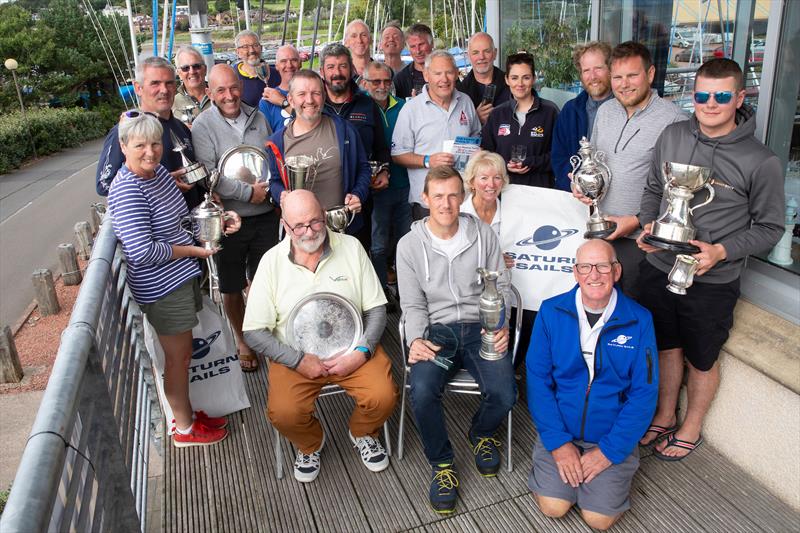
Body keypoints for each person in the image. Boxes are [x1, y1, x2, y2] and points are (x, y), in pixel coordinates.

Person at [635, 58, 785, 460]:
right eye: (702, 95)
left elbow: (771, 228)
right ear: (693, 96)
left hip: (712, 280)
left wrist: (722, 251)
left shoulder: (761, 161)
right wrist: (652, 227)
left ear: (739, 98)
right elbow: (653, 188)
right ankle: (665, 415)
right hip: (659, 266)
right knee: (666, 347)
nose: (710, 104)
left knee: (702, 358)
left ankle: (691, 426)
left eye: (721, 96)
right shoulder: (672, 135)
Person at [241, 190, 396, 482]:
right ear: (286, 226)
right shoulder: (271, 262)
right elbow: (253, 332)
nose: (309, 231)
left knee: (384, 395)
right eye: (299, 226)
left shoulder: (350, 247)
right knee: (284, 413)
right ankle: (310, 443)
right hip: (295, 356)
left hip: (352, 349)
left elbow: (376, 310)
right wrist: (297, 360)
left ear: (324, 216)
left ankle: (363, 432)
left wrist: (361, 352)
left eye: (315, 222)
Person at [107, 111, 240, 447]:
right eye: (140, 145)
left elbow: (183, 222)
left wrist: (215, 226)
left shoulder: (160, 176)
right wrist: (195, 252)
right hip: (162, 288)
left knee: (182, 356)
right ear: (123, 146)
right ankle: (183, 427)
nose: (150, 151)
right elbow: (143, 252)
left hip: (181, 278)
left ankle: (189, 414)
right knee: (177, 359)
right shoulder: (126, 191)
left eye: (155, 143)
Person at [396, 166, 515, 514]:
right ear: (425, 199)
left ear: (462, 197)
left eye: (452, 195)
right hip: (439, 332)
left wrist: (500, 324)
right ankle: (442, 463)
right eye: (438, 196)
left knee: (506, 393)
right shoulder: (408, 245)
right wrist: (415, 338)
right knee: (421, 390)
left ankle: (480, 433)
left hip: (481, 328)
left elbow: (502, 286)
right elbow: (413, 303)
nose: (446, 204)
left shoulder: (483, 235)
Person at [526, 239, 658, 531]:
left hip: (610, 435)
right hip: (562, 430)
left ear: (617, 271)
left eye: (602, 266)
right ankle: (561, 468)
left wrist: (610, 451)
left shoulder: (639, 320)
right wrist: (559, 445)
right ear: (575, 272)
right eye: (585, 266)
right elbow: (537, 380)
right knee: (554, 507)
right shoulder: (550, 312)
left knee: (598, 520)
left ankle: (603, 477)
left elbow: (644, 394)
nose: (594, 275)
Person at [572, 41, 687, 299]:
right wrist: (582, 185)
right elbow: (595, 163)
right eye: (617, 77)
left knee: (632, 315)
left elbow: (677, 191)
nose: (624, 84)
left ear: (650, 74)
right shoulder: (605, 111)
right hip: (600, 235)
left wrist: (635, 220)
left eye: (632, 75)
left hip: (640, 241)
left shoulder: (674, 120)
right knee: (598, 310)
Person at [191, 64, 276, 373]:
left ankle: (264, 334)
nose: (229, 95)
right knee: (231, 284)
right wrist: (245, 193)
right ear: (210, 93)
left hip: (265, 214)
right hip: (229, 219)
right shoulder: (203, 125)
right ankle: (242, 339)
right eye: (221, 90)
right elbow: (208, 174)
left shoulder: (259, 116)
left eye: (233, 87)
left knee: (264, 281)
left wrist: (268, 193)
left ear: (241, 85)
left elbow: (269, 159)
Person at [266, 69, 371, 235]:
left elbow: (363, 168)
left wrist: (358, 194)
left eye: (316, 93)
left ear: (323, 97)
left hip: (342, 227)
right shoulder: (277, 142)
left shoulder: (344, 130)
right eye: (302, 94)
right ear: (290, 100)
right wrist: (281, 194)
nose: (310, 100)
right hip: (301, 232)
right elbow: (275, 181)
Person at [96, 55, 204, 209]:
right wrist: (162, 184)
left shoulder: (181, 127)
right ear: (138, 88)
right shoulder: (127, 130)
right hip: (155, 230)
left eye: (169, 83)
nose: (164, 90)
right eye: (155, 83)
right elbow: (104, 184)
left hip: (190, 226)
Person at [392, 50, 481, 220]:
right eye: (438, 73)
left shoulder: (466, 102)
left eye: (449, 72)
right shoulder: (411, 109)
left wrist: (475, 150)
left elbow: (476, 138)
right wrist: (427, 161)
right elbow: (397, 155)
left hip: (464, 200)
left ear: (456, 74)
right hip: (428, 203)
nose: (444, 79)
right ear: (426, 75)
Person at [361, 61, 413, 296]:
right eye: (375, 81)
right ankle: (381, 293)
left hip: (404, 185)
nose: (381, 86)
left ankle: (406, 293)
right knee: (379, 246)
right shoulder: (359, 108)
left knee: (405, 244)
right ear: (365, 83)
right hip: (374, 190)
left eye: (385, 81)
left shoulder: (405, 107)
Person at [480, 52, 558, 188]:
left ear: (534, 78)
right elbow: (486, 154)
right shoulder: (497, 114)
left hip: (540, 192)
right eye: (514, 78)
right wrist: (504, 164)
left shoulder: (550, 112)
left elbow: (559, 154)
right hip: (504, 192)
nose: (520, 84)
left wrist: (532, 162)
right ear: (507, 79)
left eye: (526, 78)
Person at [551, 42, 614, 192]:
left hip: (615, 201)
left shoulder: (625, 110)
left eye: (598, 68)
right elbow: (558, 158)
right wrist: (575, 185)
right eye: (586, 70)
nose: (592, 76)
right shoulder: (570, 110)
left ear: (611, 69)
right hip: (575, 197)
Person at [457, 32, 511, 125]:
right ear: (468, 56)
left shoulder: (512, 85)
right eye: (475, 52)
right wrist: (475, 119)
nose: (481, 57)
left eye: (487, 51)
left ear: (495, 53)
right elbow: (454, 129)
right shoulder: (460, 92)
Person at [233, 30, 280, 108]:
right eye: (245, 47)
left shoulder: (276, 74)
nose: (252, 50)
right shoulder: (233, 79)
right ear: (238, 52)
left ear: (261, 48)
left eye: (255, 45)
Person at [259, 44, 300, 132]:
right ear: (276, 66)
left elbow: (312, 123)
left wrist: (282, 102)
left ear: (300, 63)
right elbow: (266, 138)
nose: (289, 65)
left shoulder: (310, 93)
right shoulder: (267, 101)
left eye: (294, 60)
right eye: (283, 61)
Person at [172, 45, 211, 126]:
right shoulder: (172, 104)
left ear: (205, 69)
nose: (192, 71)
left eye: (196, 66)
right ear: (179, 73)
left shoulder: (220, 96)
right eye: (185, 68)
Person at [393, 23, 434, 99]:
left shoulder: (445, 72)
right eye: (413, 46)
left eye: (421, 44)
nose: (418, 51)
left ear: (432, 44)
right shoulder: (401, 79)